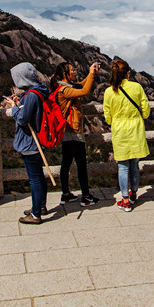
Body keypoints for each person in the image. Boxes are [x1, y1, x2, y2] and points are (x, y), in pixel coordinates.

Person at [50, 61, 101, 207]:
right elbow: (84, 92)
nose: (74, 72)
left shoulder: (65, 87)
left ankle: (65, 195)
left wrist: (92, 74)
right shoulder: (64, 90)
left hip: (67, 130)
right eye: (72, 70)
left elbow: (80, 85)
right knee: (81, 165)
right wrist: (91, 74)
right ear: (65, 74)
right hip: (72, 130)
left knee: (66, 162)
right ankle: (86, 196)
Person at [5, 62, 50, 224]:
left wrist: (14, 108)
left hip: (31, 142)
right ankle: (41, 206)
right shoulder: (37, 91)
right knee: (39, 176)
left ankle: (36, 214)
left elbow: (23, 119)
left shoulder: (31, 94)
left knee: (35, 179)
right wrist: (19, 103)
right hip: (37, 140)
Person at [103, 59, 150, 212]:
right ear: (128, 73)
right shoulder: (136, 87)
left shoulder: (110, 91)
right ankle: (135, 193)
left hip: (120, 131)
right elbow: (146, 109)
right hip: (136, 129)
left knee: (123, 167)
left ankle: (125, 199)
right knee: (135, 165)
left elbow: (107, 116)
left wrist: (115, 120)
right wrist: (139, 117)